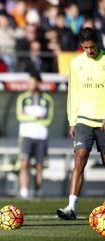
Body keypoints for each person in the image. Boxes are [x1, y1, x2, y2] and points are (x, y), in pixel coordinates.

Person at [57, 27, 105, 220]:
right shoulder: (76, 63)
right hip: (83, 119)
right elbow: (73, 93)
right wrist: (72, 121)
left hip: (103, 120)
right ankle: (71, 207)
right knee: (80, 158)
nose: (89, 51)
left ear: (98, 43)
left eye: (92, 47)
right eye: (85, 48)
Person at [16, 72, 54, 199]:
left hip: (41, 136)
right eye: (29, 82)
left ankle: (38, 191)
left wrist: (29, 116)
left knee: (39, 165)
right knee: (24, 163)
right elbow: (20, 116)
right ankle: (24, 191)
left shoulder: (47, 99)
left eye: (33, 82)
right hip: (26, 136)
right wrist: (36, 116)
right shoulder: (22, 98)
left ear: (39, 83)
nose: (31, 85)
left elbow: (49, 120)